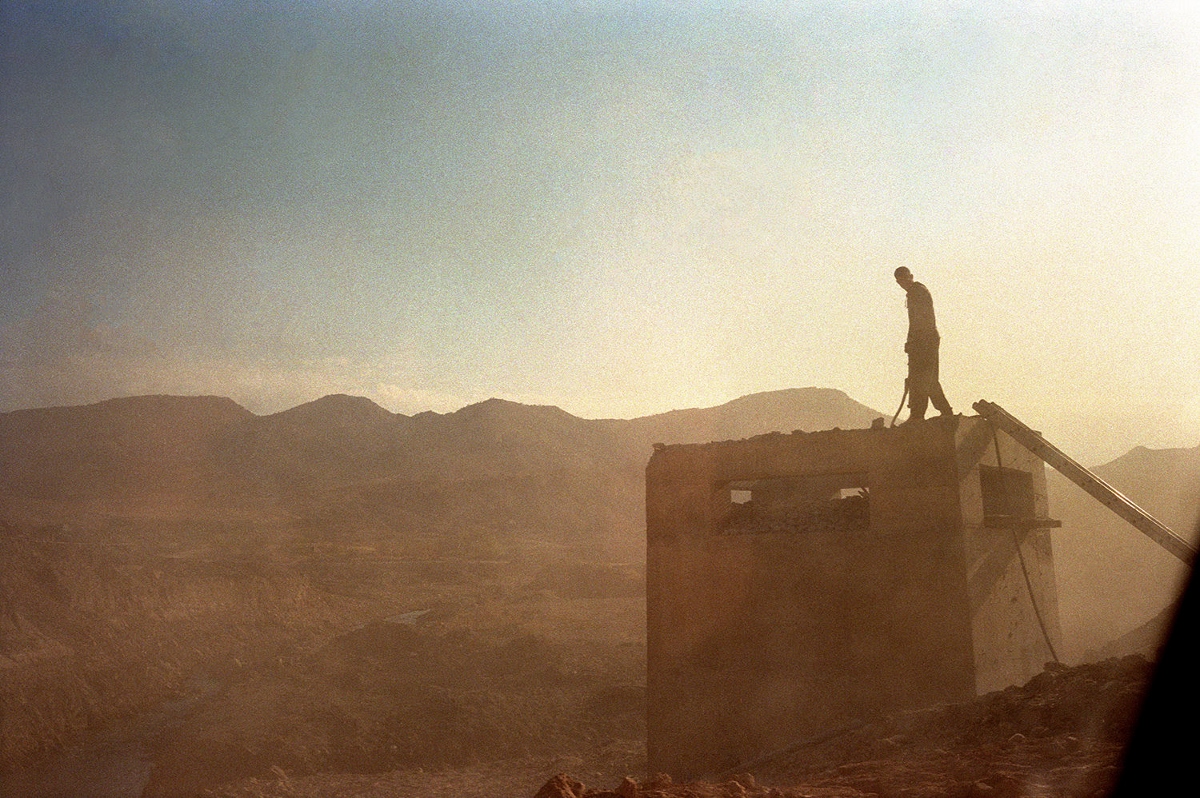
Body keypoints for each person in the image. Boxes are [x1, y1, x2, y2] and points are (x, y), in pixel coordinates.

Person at [894, 266, 952, 422]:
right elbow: (915, 322)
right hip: (923, 340)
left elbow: (921, 321)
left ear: (910, 276)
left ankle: (917, 415)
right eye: (899, 281)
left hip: (925, 341)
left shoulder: (918, 292)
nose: (901, 283)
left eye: (903, 279)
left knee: (920, 379)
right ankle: (945, 411)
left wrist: (914, 341)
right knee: (929, 379)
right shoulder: (914, 293)